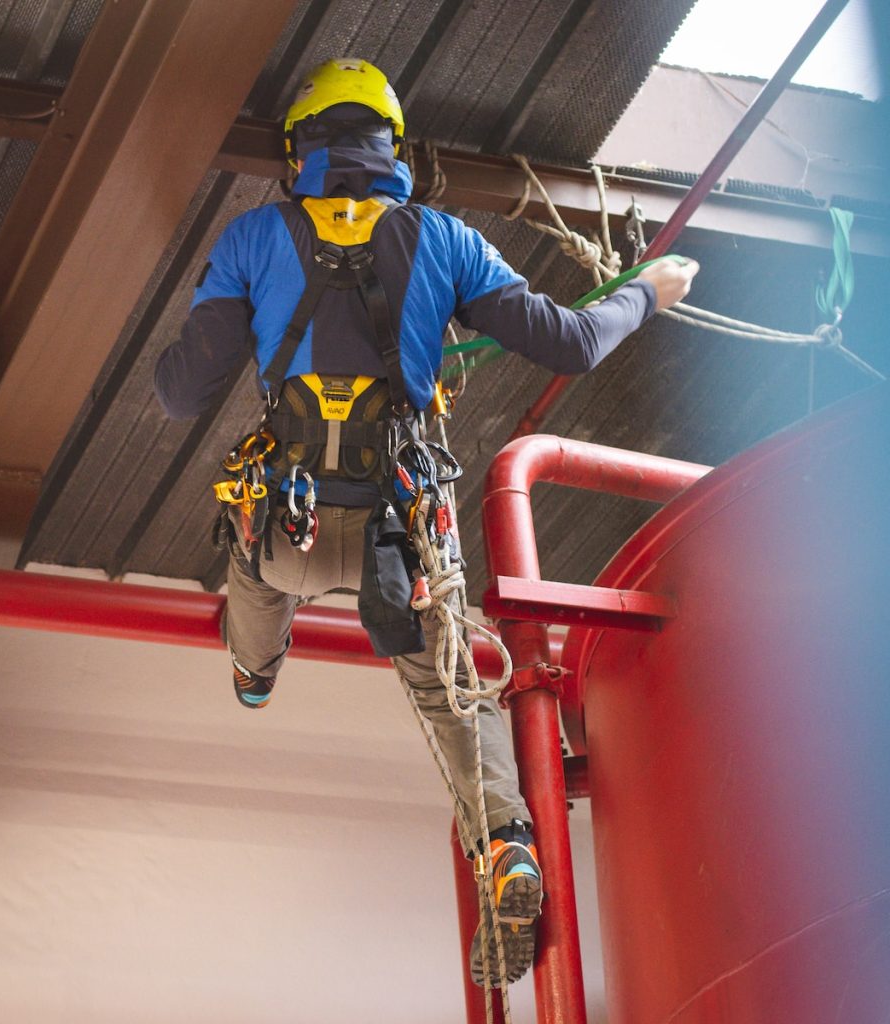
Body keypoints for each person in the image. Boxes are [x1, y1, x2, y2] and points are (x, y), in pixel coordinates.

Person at [154, 58, 698, 987]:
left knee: (246, 568)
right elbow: (568, 340)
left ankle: (255, 672)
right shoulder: (445, 240)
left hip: (287, 536)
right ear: (393, 147)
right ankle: (505, 847)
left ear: (299, 151)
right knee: (452, 695)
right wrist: (647, 290)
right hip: (401, 545)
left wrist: (239, 313)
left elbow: (178, 392)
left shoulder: (253, 238)